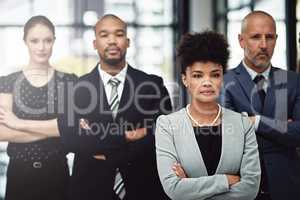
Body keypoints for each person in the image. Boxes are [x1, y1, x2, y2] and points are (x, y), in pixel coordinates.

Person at [57, 14, 172, 200]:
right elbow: (70, 139)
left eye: (118, 34)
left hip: (144, 189)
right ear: (95, 43)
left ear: (127, 42)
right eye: (104, 35)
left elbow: (162, 134)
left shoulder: (153, 85)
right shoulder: (75, 89)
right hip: (89, 190)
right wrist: (128, 135)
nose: (112, 41)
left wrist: (101, 145)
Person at [155, 31, 261, 200]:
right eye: (197, 75)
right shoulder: (167, 125)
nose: (207, 82)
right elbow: (174, 189)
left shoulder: (242, 124)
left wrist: (192, 186)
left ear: (222, 78)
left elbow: (250, 189)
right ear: (185, 79)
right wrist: (226, 180)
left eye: (215, 74)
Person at [220, 11, 300, 200]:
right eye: (256, 37)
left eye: (269, 37)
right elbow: (228, 135)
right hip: (241, 186)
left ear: (276, 40)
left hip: (286, 186)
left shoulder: (293, 81)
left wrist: (255, 122)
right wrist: (282, 127)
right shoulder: (224, 81)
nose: (264, 45)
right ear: (241, 41)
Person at [0, 15, 76, 200]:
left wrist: (18, 123)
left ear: (54, 41)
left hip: (56, 173)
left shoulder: (68, 82)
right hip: (19, 174)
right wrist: (55, 128)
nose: (41, 47)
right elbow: (2, 132)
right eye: (35, 41)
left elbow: (70, 127)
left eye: (47, 40)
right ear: (25, 42)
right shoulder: (8, 82)